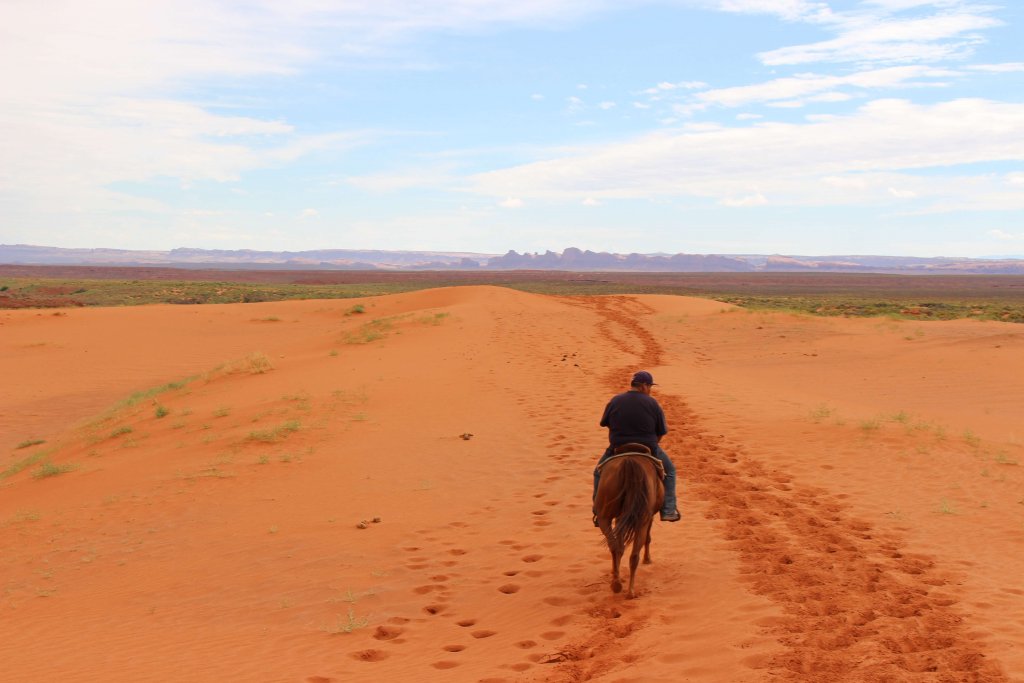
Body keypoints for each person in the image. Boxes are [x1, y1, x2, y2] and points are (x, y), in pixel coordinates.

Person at [593, 370, 680, 525]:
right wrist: (653, 444)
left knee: (598, 472)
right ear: (644, 386)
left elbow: (605, 423)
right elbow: (661, 432)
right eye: (650, 387)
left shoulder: (615, 400)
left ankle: (598, 511)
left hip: (617, 447)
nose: (650, 390)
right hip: (649, 447)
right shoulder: (652, 403)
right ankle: (668, 510)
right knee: (671, 471)